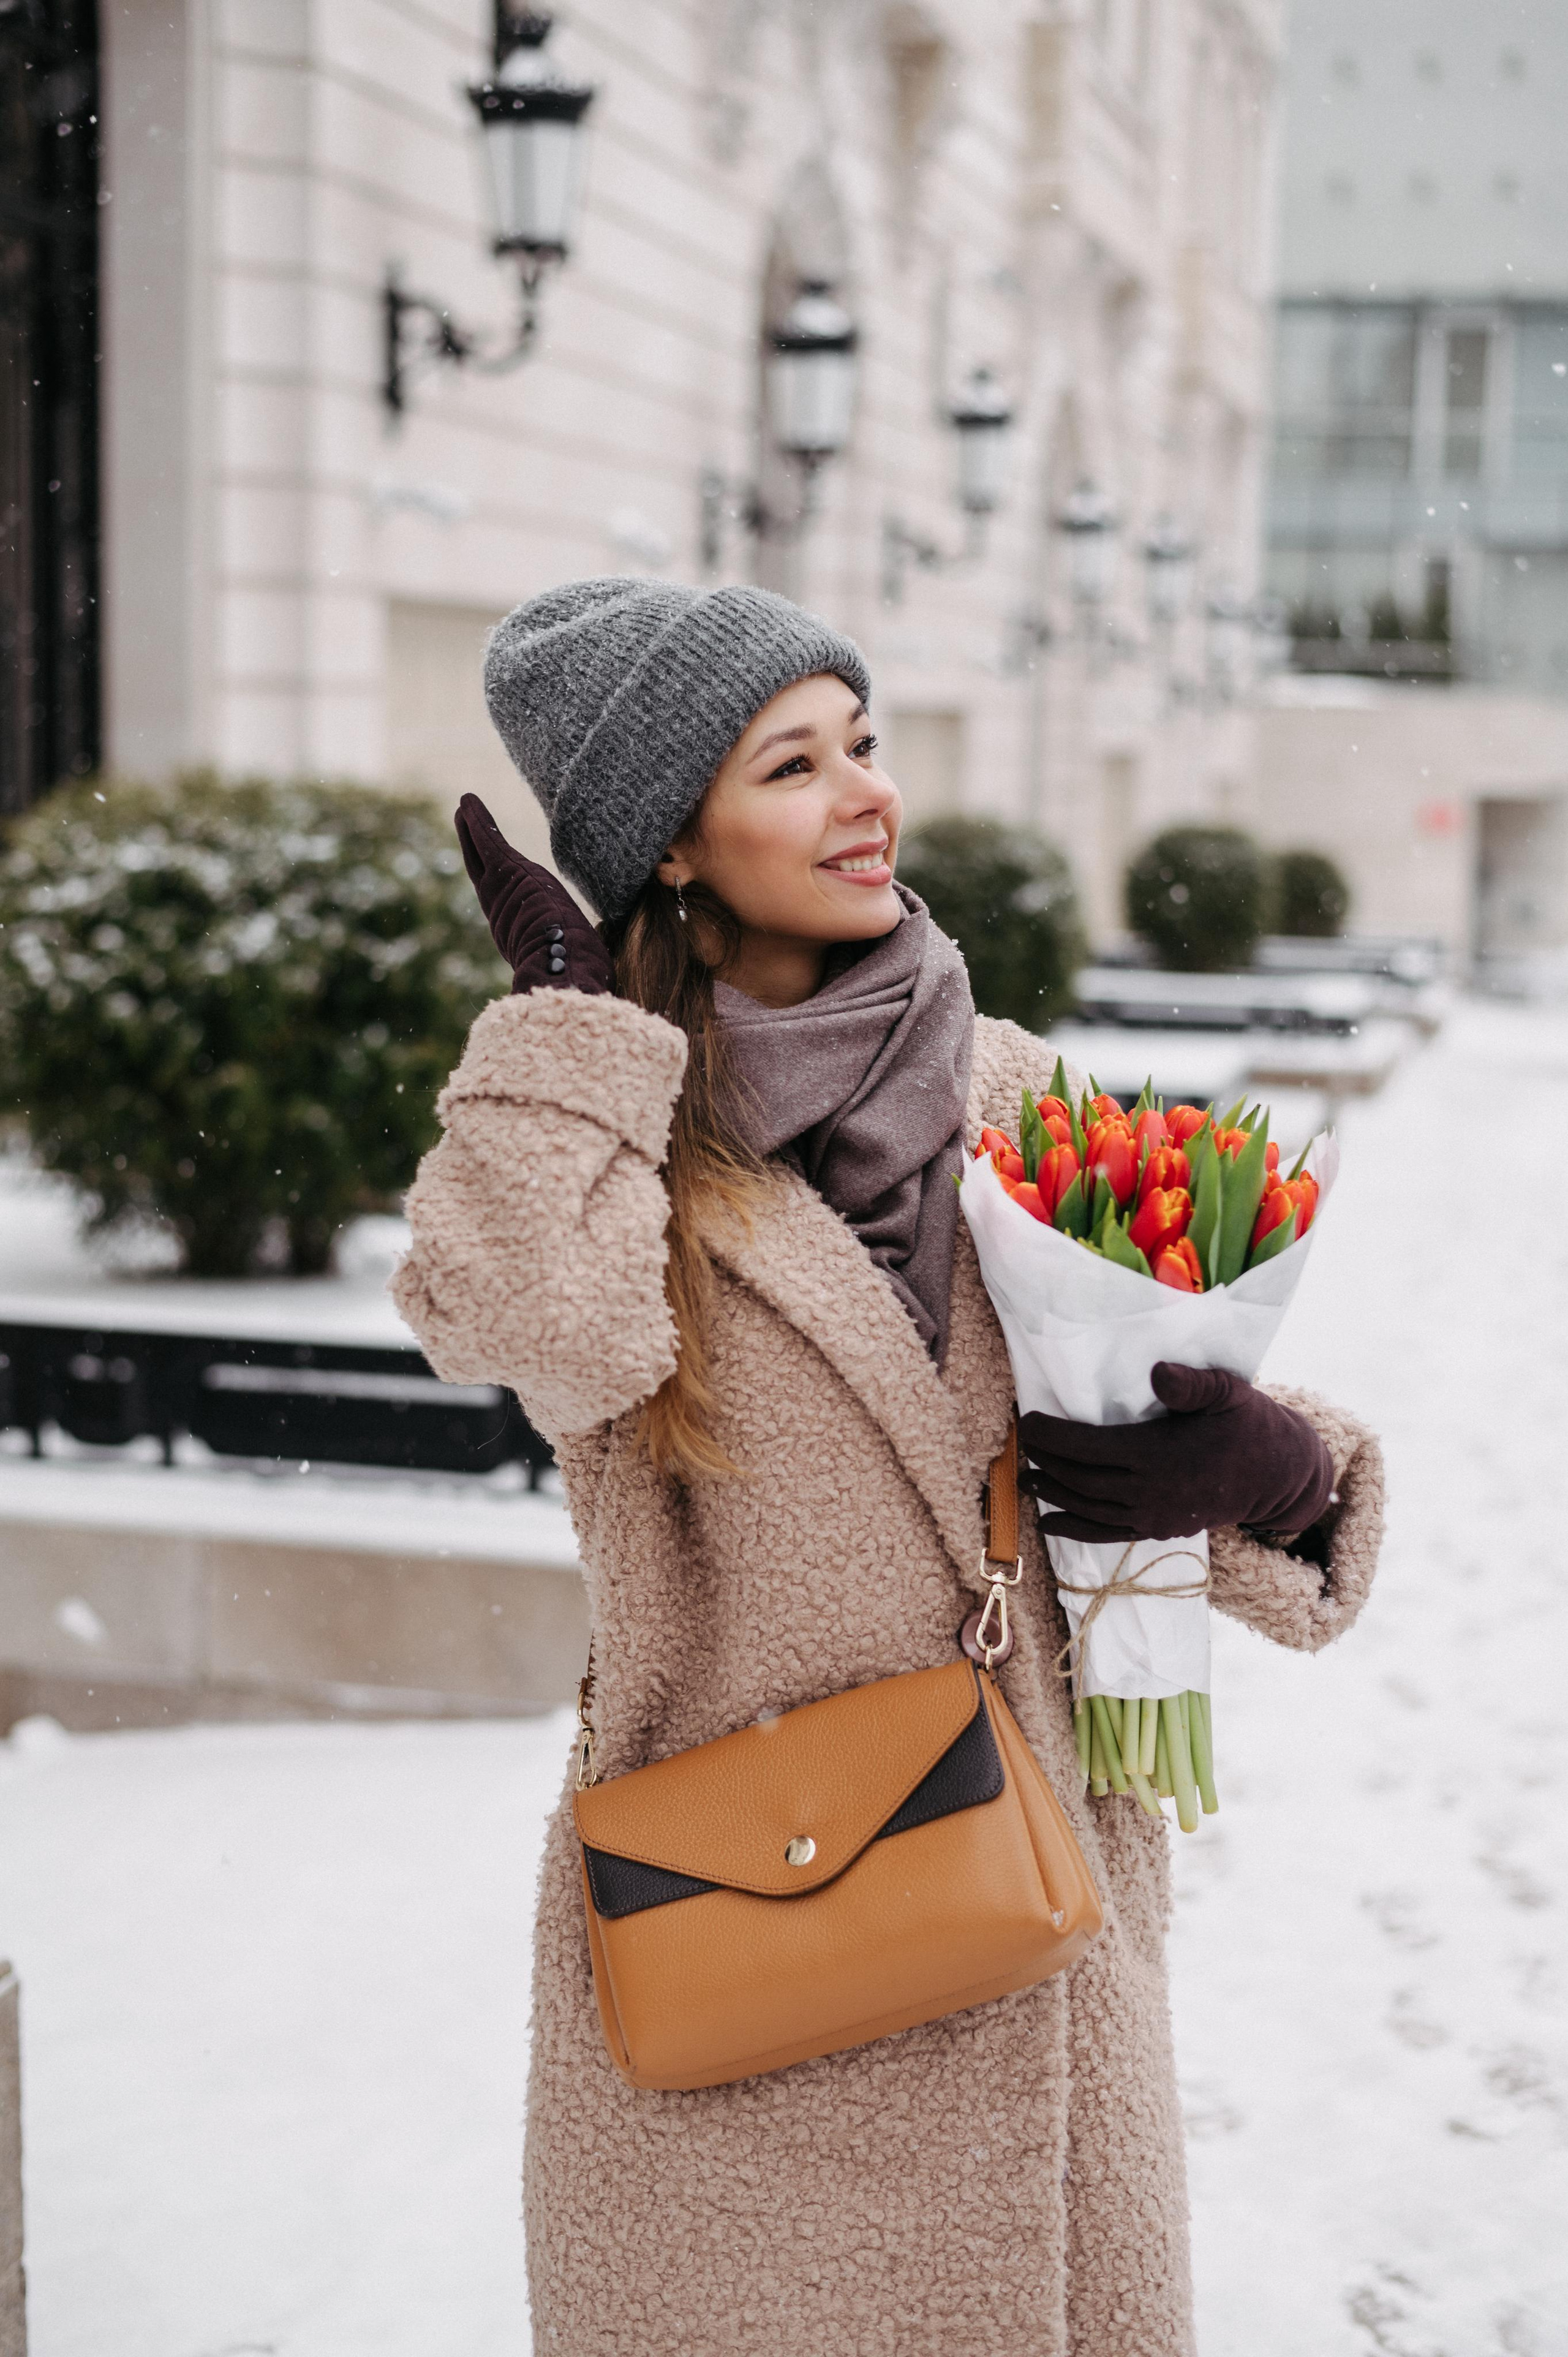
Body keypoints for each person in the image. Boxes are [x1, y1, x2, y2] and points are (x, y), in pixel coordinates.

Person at [392, 578, 1384, 2357]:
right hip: (749, 1981)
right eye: (792, 763)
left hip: (1038, 1947)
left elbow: (1173, 1448)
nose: (868, 796)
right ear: (673, 849)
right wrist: (561, 1020)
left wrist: (1270, 1467)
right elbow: (536, 1327)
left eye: (864, 742)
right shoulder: (612, 1149)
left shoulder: (1018, 1099)